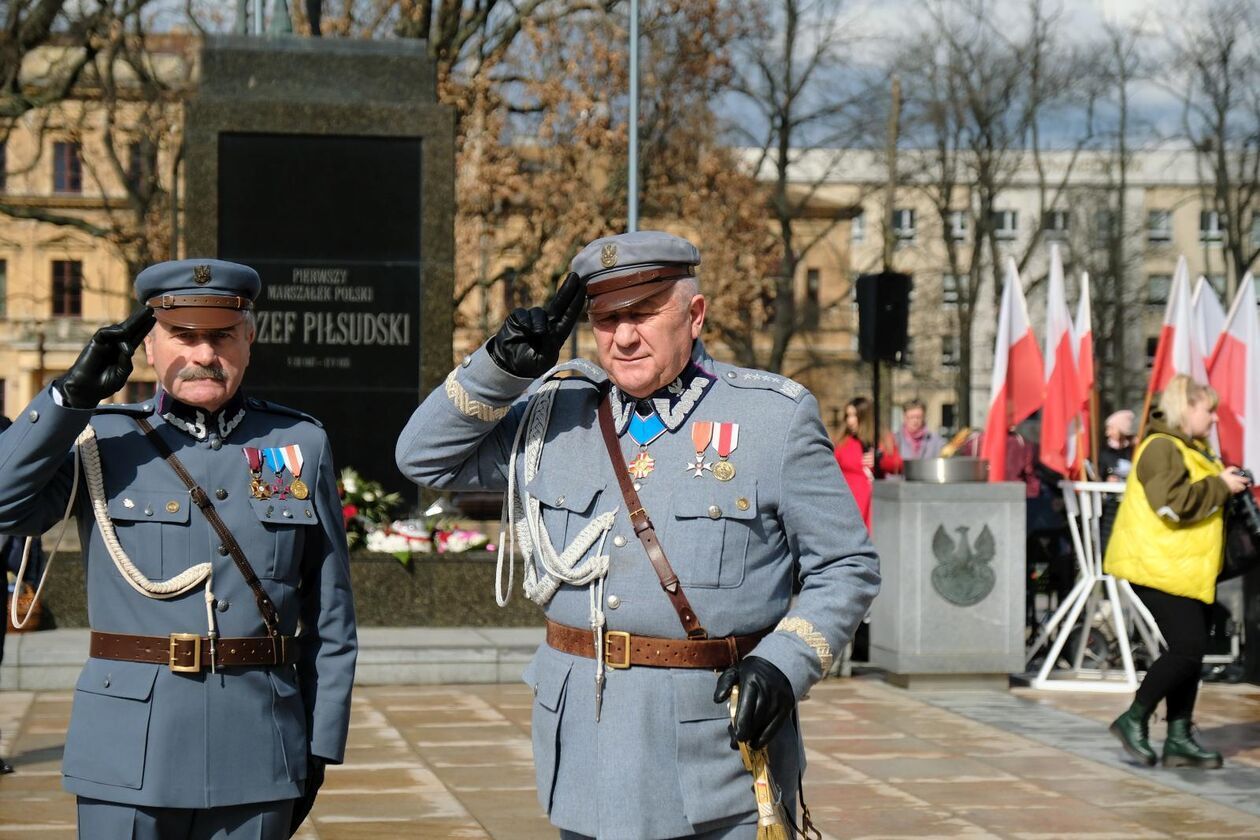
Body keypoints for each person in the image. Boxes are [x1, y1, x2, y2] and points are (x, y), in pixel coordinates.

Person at [396, 231, 880, 839]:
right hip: (587, 749)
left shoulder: (771, 419)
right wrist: (499, 368)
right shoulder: (556, 414)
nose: (623, 337)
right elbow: (423, 460)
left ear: (695, 315)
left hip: (712, 754)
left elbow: (846, 566)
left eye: (644, 314)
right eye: (606, 319)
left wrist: (785, 664)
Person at [0, 259, 357, 838]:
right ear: (149, 345)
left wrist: (318, 743)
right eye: (183, 336)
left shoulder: (295, 444)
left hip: (259, 746)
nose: (203, 354)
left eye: (221, 336)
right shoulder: (101, 436)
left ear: (249, 338)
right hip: (128, 750)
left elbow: (331, 614)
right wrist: (70, 395)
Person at [1105, 375, 1251, 769]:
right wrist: (1220, 486)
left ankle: (1179, 737)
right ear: (1186, 407)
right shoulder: (1161, 447)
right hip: (1156, 565)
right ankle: (1133, 717)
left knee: (1193, 651)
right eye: (1210, 410)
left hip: (1185, 568)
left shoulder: (1191, 448)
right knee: (1187, 650)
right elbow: (1171, 505)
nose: (1216, 419)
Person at [833, 396, 898, 531]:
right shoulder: (842, 442)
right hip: (850, 509)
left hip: (877, 508)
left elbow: (897, 464)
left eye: (854, 416)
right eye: (848, 416)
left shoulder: (883, 439)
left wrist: (881, 461)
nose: (850, 421)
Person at [890, 397, 944, 463]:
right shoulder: (894, 440)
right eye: (911, 417)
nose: (915, 421)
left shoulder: (936, 441)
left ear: (924, 417)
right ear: (904, 417)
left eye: (918, 417)